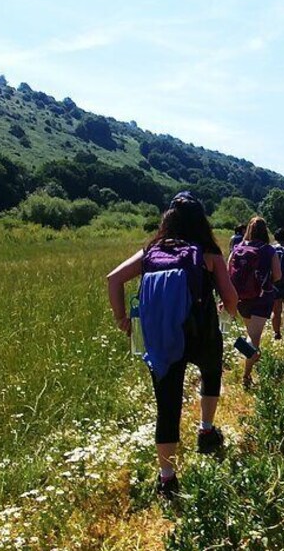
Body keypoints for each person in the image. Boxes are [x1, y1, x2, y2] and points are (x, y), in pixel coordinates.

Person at [107, 191, 238, 500]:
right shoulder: (208, 253)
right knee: (211, 372)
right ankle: (206, 430)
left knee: (167, 404)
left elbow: (113, 279)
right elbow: (230, 298)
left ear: (168, 222)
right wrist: (227, 315)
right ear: (201, 222)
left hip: (161, 333)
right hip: (201, 330)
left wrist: (122, 319)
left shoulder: (152, 251)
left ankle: (167, 479)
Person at [229, 217, 281, 390]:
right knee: (254, 339)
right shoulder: (269, 250)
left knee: (250, 333)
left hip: (241, 298)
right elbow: (278, 275)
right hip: (261, 298)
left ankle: (252, 354)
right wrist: (265, 282)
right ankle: (246, 375)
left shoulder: (238, 248)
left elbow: (229, 270)